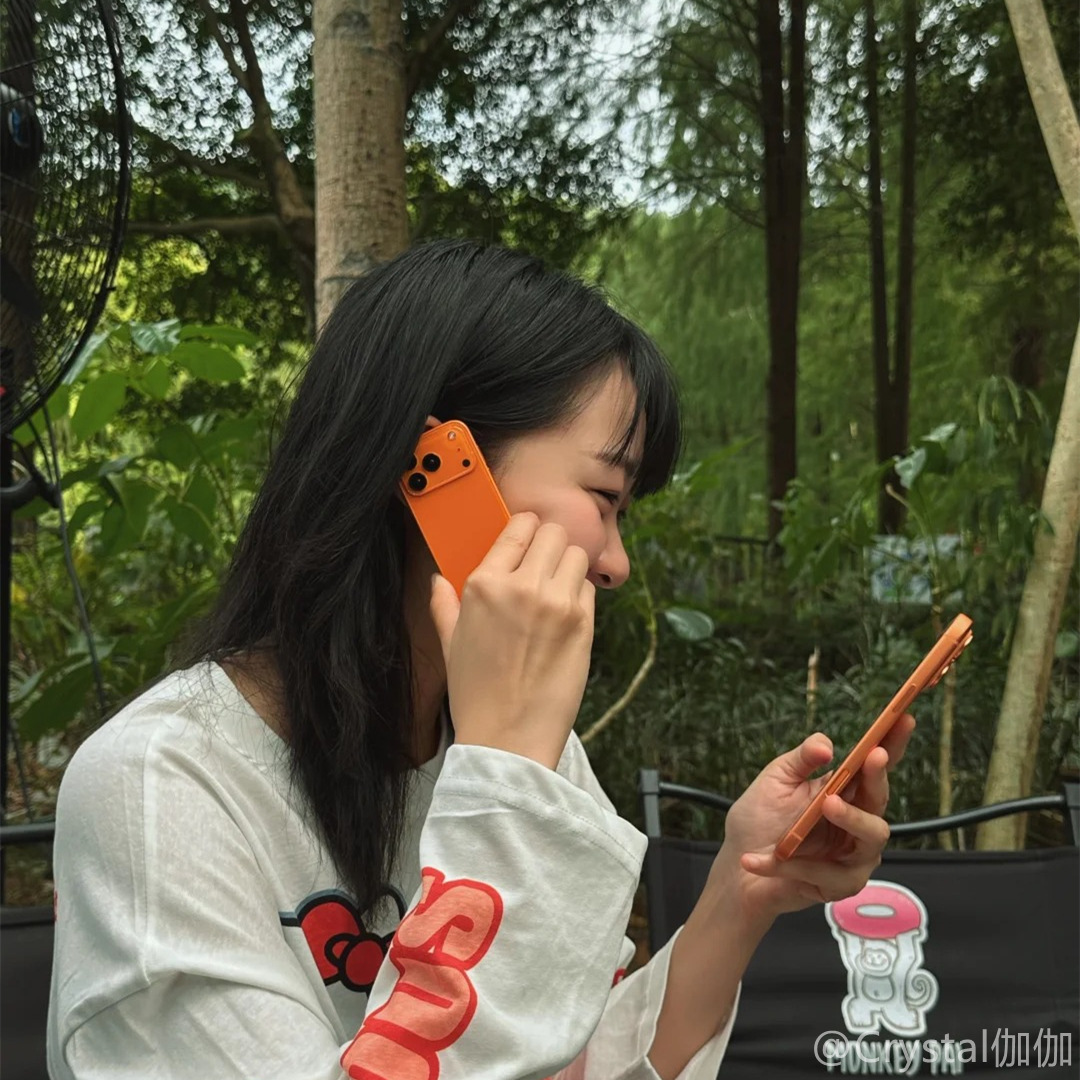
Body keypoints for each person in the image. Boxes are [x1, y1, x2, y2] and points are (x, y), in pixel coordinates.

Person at [46, 239, 912, 1080]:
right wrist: (507, 782)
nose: (616, 563)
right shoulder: (160, 785)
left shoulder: (524, 753)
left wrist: (740, 894)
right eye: (604, 497)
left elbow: (568, 1060)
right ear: (431, 466)